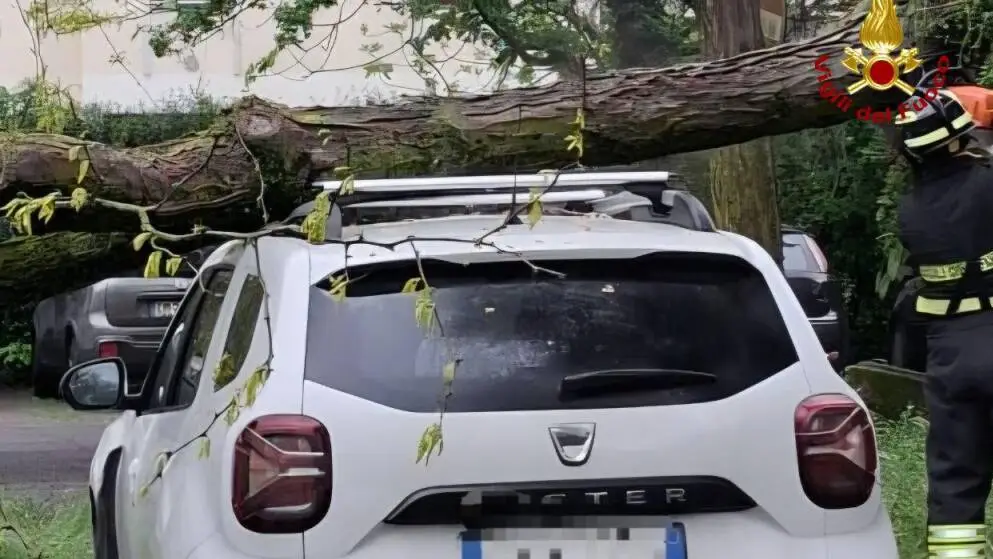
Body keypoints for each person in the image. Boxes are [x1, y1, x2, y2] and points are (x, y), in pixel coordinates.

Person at [891, 76, 993, 559]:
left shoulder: (910, 211)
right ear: (957, 139)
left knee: (955, 479)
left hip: (950, 354)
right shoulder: (986, 185)